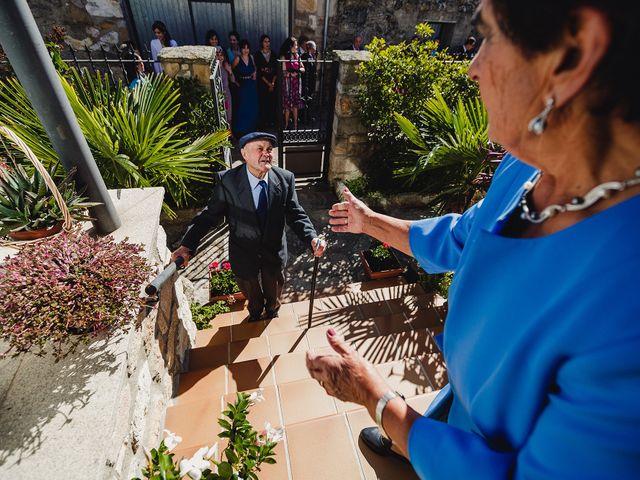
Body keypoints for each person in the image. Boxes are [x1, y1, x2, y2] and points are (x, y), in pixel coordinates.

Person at [306, 1, 640, 479]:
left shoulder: (628, 314)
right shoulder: (527, 163)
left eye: (488, 35)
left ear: (571, 56)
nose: (471, 67)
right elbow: (461, 238)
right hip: (457, 409)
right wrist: (369, 221)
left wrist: (373, 397)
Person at [171, 132, 326, 321]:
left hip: (274, 250)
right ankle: (254, 312)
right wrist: (187, 246)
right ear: (244, 154)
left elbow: (295, 213)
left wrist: (312, 237)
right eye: (259, 149)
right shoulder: (228, 181)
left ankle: (272, 311)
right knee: (251, 292)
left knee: (274, 289)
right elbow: (209, 216)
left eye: (269, 149)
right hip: (243, 252)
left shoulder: (285, 179)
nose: (266, 153)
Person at [232, 39, 258, 137]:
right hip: (242, 86)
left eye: (247, 48)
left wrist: (255, 73)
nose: (246, 50)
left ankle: (251, 129)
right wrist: (235, 82)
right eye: (244, 48)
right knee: (242, 108)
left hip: (251, 85)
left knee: (252, 107)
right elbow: (231, 70)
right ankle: (241, 130)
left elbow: (255, 68)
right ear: (240, 49)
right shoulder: (237, 59)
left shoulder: (251, 57)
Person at [280, 36, 305, 130]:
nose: (297, 47)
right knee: (287, 105)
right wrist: (291, 73)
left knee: (295, 105)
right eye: (295, 45)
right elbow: (283, 72)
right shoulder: (284, 57)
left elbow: (303, 68)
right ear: (290, 46)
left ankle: (295, 125)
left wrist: (297, 71)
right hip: (288, 84)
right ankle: (286, 124)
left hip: (296, 84)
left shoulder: (297, 56)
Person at [254, 34, 277, 128]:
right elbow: (259, 71)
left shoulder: (274, 54)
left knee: (272, 103)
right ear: (261, 43)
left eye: (268, 41)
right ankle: (263, 124)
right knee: (263, 103)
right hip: (262, 84)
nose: (267, 43)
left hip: (273, 83)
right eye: (265, 41)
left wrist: (272, 83)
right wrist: (268, 83)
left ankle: (271, 122)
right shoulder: (257, 55)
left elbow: (276, 70)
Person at [215, 46, 236, 126]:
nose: (220, 57)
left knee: (229, 116)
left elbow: (233, 80)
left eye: (221, 55)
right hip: (218, 96)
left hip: (227, 95)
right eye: (217, 55)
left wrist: (229, 71)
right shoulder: (213, 70)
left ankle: (230, 134)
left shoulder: (225, 66)